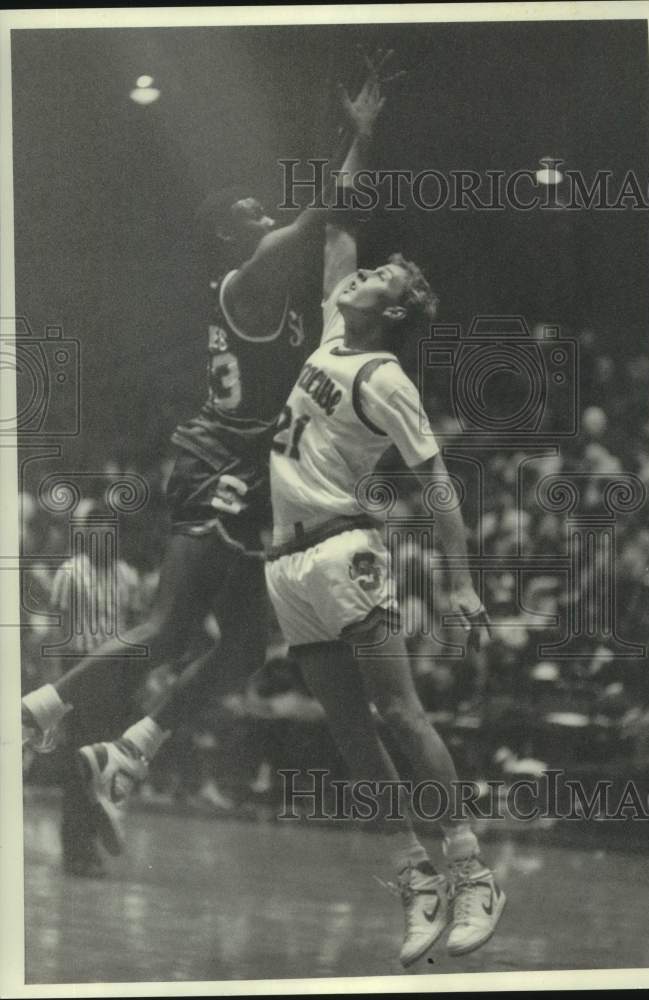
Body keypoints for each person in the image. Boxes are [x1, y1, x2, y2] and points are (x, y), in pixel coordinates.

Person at [21, 55, 391, 857]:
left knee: (246, 646)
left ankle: (127, 750)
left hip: (250, 477)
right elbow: (321, 213)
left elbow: (336, 222)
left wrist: (357, 146)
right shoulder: (249, 278)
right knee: (166, 628)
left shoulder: (283, 298)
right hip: (217, 463)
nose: (267, 217)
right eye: (254, 212)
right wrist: (351, 136)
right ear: (229, 232)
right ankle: (32, 714)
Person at [258, 199, 506, 963]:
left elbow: (435, 481)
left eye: (378, 276)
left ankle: (470, 872)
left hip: (343, 551)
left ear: (391, 308)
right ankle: (414, 876)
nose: (359, 274)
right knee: (348, 731)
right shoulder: (336, 333)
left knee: (397, 712)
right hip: (286, 564)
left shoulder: (385, 374)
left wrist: (459, 580)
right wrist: (359, 140)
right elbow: (337, 231)